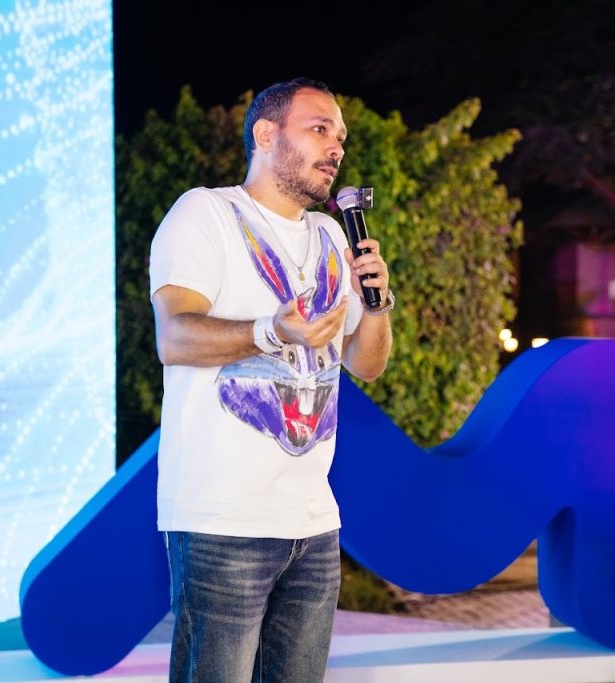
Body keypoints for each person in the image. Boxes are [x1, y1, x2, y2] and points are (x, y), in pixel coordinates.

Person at [149, 77, 394, 683]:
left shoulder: (333, 235)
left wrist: (378, 304)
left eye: (341, 137)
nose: (336, 147)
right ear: (265, 134)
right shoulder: (207, 213)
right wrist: (273, 331)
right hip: (222, 520)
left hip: (313, 523)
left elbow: (366, 364)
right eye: (319, 129)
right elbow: (174, 337)